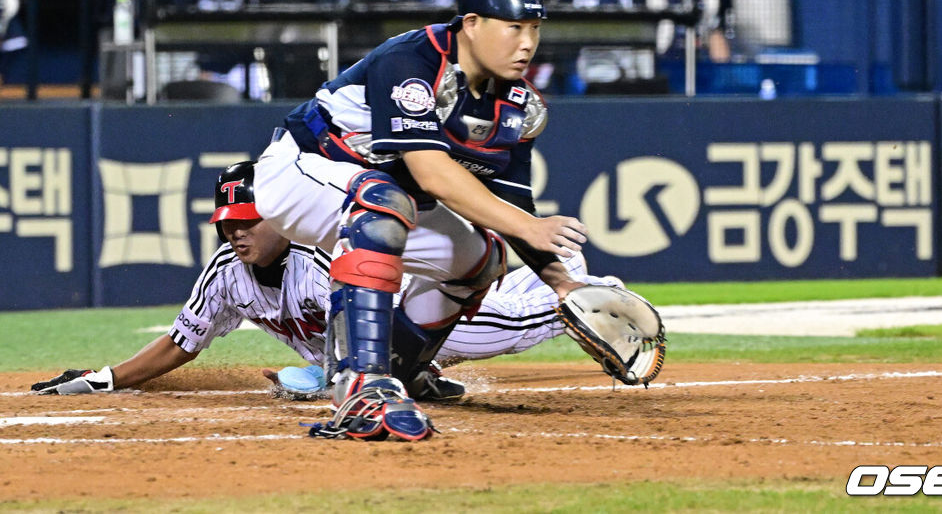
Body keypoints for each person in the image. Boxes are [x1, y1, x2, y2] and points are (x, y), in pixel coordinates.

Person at [253, 0, 588, 441]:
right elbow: (432, 173)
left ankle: (402, 369)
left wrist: (562, 285)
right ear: (471, 24)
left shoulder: (516, 104)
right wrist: (529, 229)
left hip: (374, 194)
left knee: (482, 258)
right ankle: (360, 386)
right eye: (514, 27)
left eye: (535, 28)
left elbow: (512, 207)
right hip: (298, 171)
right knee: (383, 199)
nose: (527, 42)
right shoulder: (413, 59)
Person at [30, 161, 620, 400]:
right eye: (227, 225)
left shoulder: (320, 258)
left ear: (281, 218)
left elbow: (378, 325)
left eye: (248, 222)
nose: (236, 235)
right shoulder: (227, 276)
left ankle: (599, 294)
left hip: (415, 313)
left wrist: (327, 374)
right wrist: (103, 379)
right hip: (381, 345)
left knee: (515, 325)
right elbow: (181, 342)